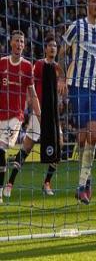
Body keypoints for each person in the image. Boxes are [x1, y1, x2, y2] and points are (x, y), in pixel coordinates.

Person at [58, 0, 96, 205]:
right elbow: (61, 52)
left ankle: (82, 185)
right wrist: (62, 77)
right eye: (93, 1)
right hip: (76, 87)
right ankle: (86, 179)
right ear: (87, 5)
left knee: (94, 135)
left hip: (94, 89)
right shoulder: (77, 26)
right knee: (82, 138)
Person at [4, 34, 62, 198]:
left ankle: (47, 183)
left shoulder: (57, 68)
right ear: (45, 48)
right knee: (27, 147)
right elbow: (30, 85)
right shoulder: (39, 65)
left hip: (53, 114)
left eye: (55, 46)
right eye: (50, 45)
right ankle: (9, 184)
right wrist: (27, 104)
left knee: (60, 144)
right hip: (39, 113)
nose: (53, 48)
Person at [0, 30, 41, 203]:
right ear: (11, 43)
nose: (19, 44)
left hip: (15, 117)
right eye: (16, 41)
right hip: (0, 114)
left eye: (22, 42)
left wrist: (39, 115)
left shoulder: (26, 66)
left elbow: (32, 94)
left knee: (1, 149)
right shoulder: (2, 63)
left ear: (24, 45)